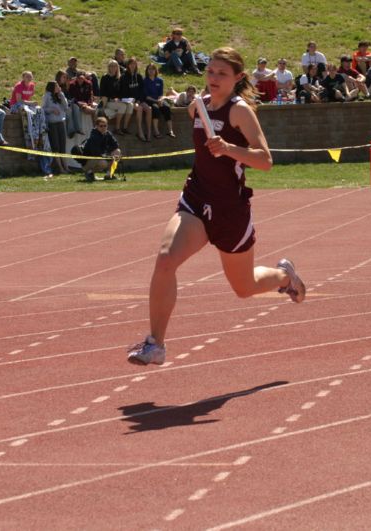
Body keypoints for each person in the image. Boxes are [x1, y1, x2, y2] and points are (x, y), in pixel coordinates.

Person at [126, 47, 305, 366]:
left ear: (238, 78)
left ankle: (283, 276)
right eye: (210, 72)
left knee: (244, 287)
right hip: (196, 199)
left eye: (222, 73)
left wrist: (228, 148)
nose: (213, 78)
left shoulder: (240, 112)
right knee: (166, 260)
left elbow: (265, 161)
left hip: (230, 211)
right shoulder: (198, 109)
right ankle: (156, 344)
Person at [99, 60, 135, 135]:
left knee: (130, 105)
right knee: (123, 106)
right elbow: (102, 93)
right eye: (111, 66)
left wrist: (123, 98)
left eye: (115, 66)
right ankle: (117, 128)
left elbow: (122, 91)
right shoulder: (105, 77)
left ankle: (125, 127)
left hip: (117, 100)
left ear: (117, 67)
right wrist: (111, 99)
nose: (113, 68)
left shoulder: (119, 78)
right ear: (108, 67)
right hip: (108, 101)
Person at [80, 117, 120, 182]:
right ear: (97, 126)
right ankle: (89, 172)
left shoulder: (107, 134)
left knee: (117, 151)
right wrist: (108, 156)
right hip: (88, 161)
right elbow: (96, 153)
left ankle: (109, 174)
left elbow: (116, 145)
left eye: (105, 126)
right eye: (101, 126)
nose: (103, 128)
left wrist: (111, 154)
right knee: (104, 163)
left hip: (101, 157)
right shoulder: (94, 136)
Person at [121, 58, 152, 142]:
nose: (133, 66)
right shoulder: (124, 77)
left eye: (134, 64)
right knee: (139, 108)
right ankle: (139, 131)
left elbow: (142, 90)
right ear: (128, 65)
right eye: (131, 64)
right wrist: (134, 100)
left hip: (139, 100)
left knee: (149, 109)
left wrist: (139, 100)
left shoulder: (138, 76)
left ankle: (149, 132)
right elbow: (124, 92)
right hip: (129, 100)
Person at [43, 80, 69, 174]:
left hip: (61, 121)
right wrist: (51, 110)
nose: (58, 87)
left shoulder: (60, 95)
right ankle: (60, 168)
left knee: (63, 145)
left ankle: (66, 167)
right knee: (56, 146)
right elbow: (43, 108)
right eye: (56, 85)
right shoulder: (47, 96)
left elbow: (66, 107)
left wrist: (62, 95)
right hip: (52, 123)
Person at [143, 63, 174, 138]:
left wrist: (160, 100)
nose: (151, 71)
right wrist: (157, 101)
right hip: (149, 100)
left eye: (153, 69)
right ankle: (156, 131)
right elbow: (146, 96)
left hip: (158, 100)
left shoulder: (160, 80)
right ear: (147, 71)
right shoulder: (145, 81)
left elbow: (160, 94)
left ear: (155, 70)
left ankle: (170, 130)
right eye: (149, 69)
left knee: (166, 107)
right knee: (155, 109)